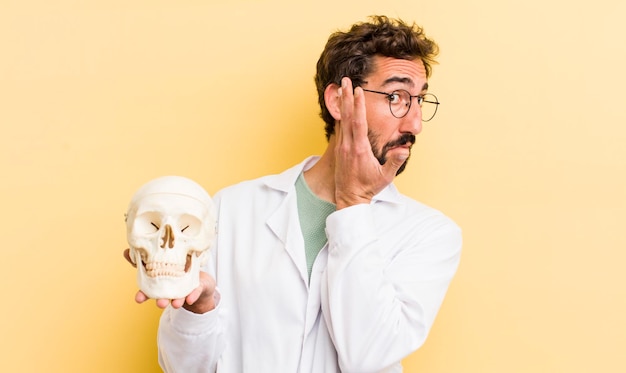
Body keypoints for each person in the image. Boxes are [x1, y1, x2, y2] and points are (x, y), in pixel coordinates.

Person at [124, 15, 462, 373]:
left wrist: (353, 204)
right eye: (397, 96)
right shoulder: (231, 209)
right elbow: (182, 368)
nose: (414, 124)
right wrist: (199, 309)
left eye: (420, 100)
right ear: (338, 101)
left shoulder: (430, 235)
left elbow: (369, 355)